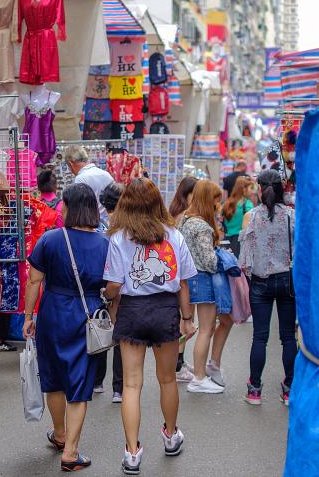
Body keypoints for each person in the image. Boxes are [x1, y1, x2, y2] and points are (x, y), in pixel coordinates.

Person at [103, 178, 196, 475]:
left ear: (125, 202)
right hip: (165, 309)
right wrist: (187, 318)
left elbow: (114, 286)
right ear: (157, 201)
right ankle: (171, 436)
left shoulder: (118, 237)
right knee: (167, 379)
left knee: (131, 384)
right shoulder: (173, 234)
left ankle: (132, 452)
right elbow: (183, 283)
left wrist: (109, 300)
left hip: (132, 310)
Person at [22, 183, 109, 472]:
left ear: (69, 207)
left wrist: (28, 317)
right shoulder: (105, 243)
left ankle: (59, 434)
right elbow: (113, 287)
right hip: (88, 315)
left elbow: (34, 281)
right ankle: (70, 452)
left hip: (52, 311)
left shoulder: (50, 239)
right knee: (80, 381)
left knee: (55, 376)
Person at [238, 169, 296, 407]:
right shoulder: (292, 216)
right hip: (287, 281)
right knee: (288, 337)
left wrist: (255, 275)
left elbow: (244, 261)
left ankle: (255, 390)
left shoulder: (251, 217)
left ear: (260, 189)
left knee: (259, 337)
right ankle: (289, 389)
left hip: (260, 282)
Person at [178, 180, 234, 394]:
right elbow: (209, 261)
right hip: (202, 278)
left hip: (190, 278)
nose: (218, 203)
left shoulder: (186, 219)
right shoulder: (201, 226)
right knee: (206, 329)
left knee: (203, 328)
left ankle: (200, 374)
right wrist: (224, 257)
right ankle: (199, 377)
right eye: (216, 199)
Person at [91, 183, 124, 400]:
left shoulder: (99, 227)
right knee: (121, 335)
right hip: (123, 285)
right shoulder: (127, 228)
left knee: (101, 329)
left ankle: (97, 381)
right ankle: (119, 388)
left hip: (102, 284)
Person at [168, 176, 199, 383]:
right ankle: (177, 364)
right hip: (182, 275)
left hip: (179, 272)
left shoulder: (175, 212)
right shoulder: (183, 215)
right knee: (184, 319)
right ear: (186, 194)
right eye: (194, 194)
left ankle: (179, 361)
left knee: (184, 318)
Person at [64, 145, 114, 219]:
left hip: (91, 224)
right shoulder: (106, 174)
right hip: (109, 223)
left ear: (71, 164)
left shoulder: (80, 179)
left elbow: (78, 208)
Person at [222, 176, 255, 257]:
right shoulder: (247, 204)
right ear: (244, 189)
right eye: (251, 188)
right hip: (240, 243)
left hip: (226, 241)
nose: (252, 191)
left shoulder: (226, 203)